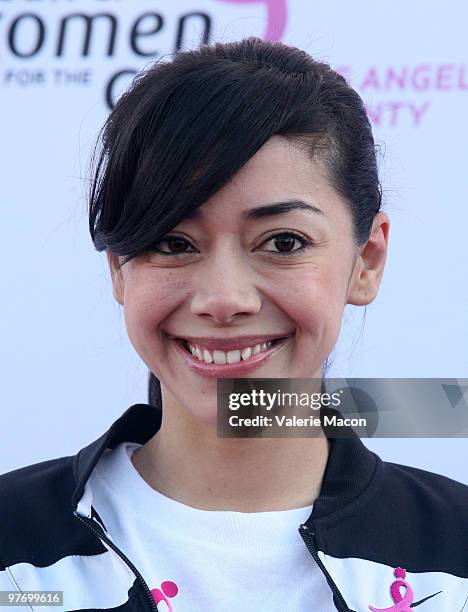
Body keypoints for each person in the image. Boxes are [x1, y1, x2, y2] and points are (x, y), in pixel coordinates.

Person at [0, 37, 467, 612]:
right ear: (120, 268)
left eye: (283, 242)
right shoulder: (12, 548)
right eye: (173, 243)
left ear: (366, 260)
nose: (223, 300)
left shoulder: (455, 552)